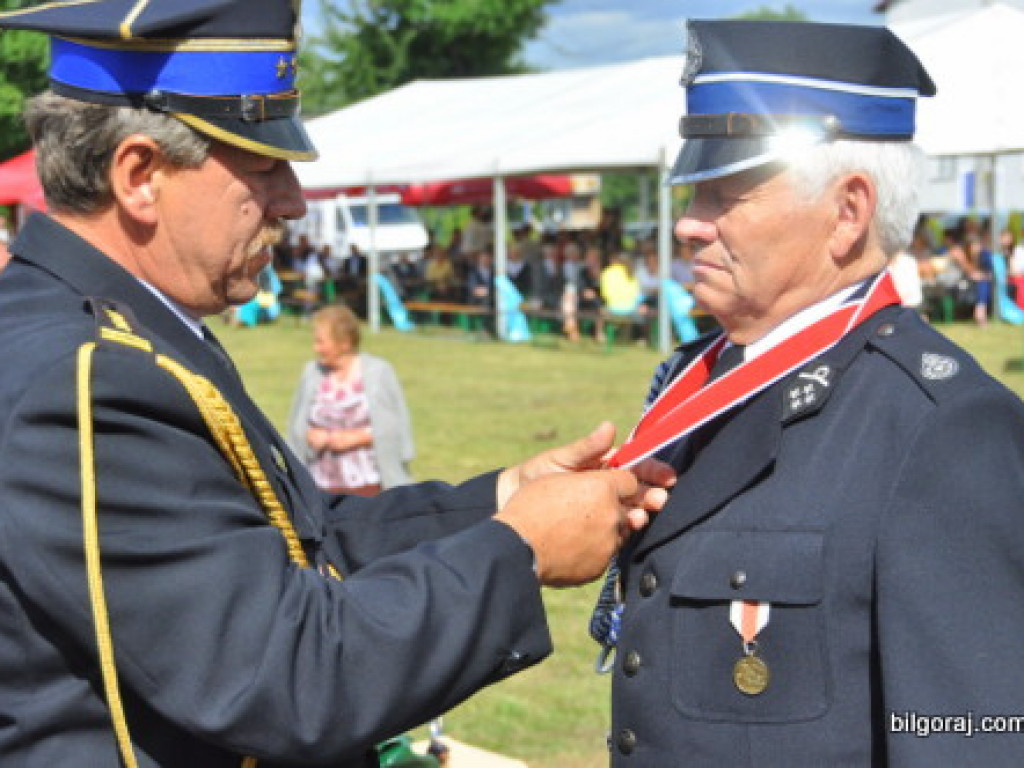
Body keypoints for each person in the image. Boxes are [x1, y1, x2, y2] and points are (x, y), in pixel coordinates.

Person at [0, 2, 673, 765]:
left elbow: (297, 543)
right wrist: (519, 551)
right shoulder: (86, 378)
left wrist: (497, 500)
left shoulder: (125, 333)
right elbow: (283, 673)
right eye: (261, 167)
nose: (292, 200)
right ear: (140, 176)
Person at [592, 19, 1024, 766]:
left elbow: (969, 740)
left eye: (728, 192)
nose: (689, 224)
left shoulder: (942, 429)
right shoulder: (700, 376)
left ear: (848, 212)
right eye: (695, 189)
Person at [288, 305, 414, 494]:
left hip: (370, 486)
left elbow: (395, 428)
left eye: (321, 342)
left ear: (344, 343)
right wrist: (310, 436)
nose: (316, 348)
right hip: (319, 487)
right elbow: (296, 424)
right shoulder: (311, 372)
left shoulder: (378, 372)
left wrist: (355, 438)